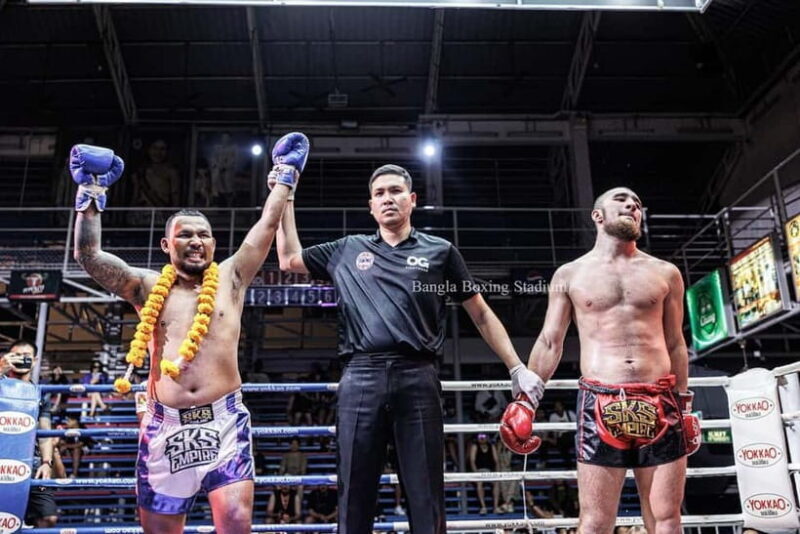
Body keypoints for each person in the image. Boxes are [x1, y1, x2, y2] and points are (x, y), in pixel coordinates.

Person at [275, 163, 543, 534]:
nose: (388, 198)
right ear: (370, 205)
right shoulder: (347, 249)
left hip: (418, 378)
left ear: (412, 200)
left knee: (426, 494)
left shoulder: (440, 252)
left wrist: (517, 367)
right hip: (360, 377)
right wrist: (286, 194)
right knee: (353, 492)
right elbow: (288, 259)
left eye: (396, 191)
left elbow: (480, 314)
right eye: (380, 193)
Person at [69, 135, 306, 534]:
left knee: (235, 522)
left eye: (203, 234)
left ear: (213, 242)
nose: (195, 241)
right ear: (166, 244)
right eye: (185, 235)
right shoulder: (144, 287)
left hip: (224, 421)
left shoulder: (232, 277)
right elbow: (89, 257)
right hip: (166, 425)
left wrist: (286, 177)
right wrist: (90, 193)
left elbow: (267, 225)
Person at [500, 187, 701, 534]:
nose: (632, 205)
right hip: (600, 401)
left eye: (638, 203)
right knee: (595, 521)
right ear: (598, 215)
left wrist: (683, 406)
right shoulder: (569, 275)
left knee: (667, 517)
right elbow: (550, 341)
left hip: (660, 401)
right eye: (622, 199)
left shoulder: (666, 273)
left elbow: (675, 343)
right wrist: (526, 401)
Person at [0, 340, 57, 528]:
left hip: (29, 463)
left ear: (34, 360)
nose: (22, 361)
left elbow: (45, 431)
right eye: (17, 356)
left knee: (48, 519)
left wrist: (46, 462)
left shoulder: (40, 393)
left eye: (26, 357)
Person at [468, 433, 500, 515]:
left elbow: (496, 461)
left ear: (487, 437)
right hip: (479, 471)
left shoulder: (491, 446)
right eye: (480, 437)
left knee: (496, 483)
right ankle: (483, 507)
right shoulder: (475, 446)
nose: (482, 438)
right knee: (479, 484)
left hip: (489, 471)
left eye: (484, 436)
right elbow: (472, 461)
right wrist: (475, 473)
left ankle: (496, 507)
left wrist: (497, 472)